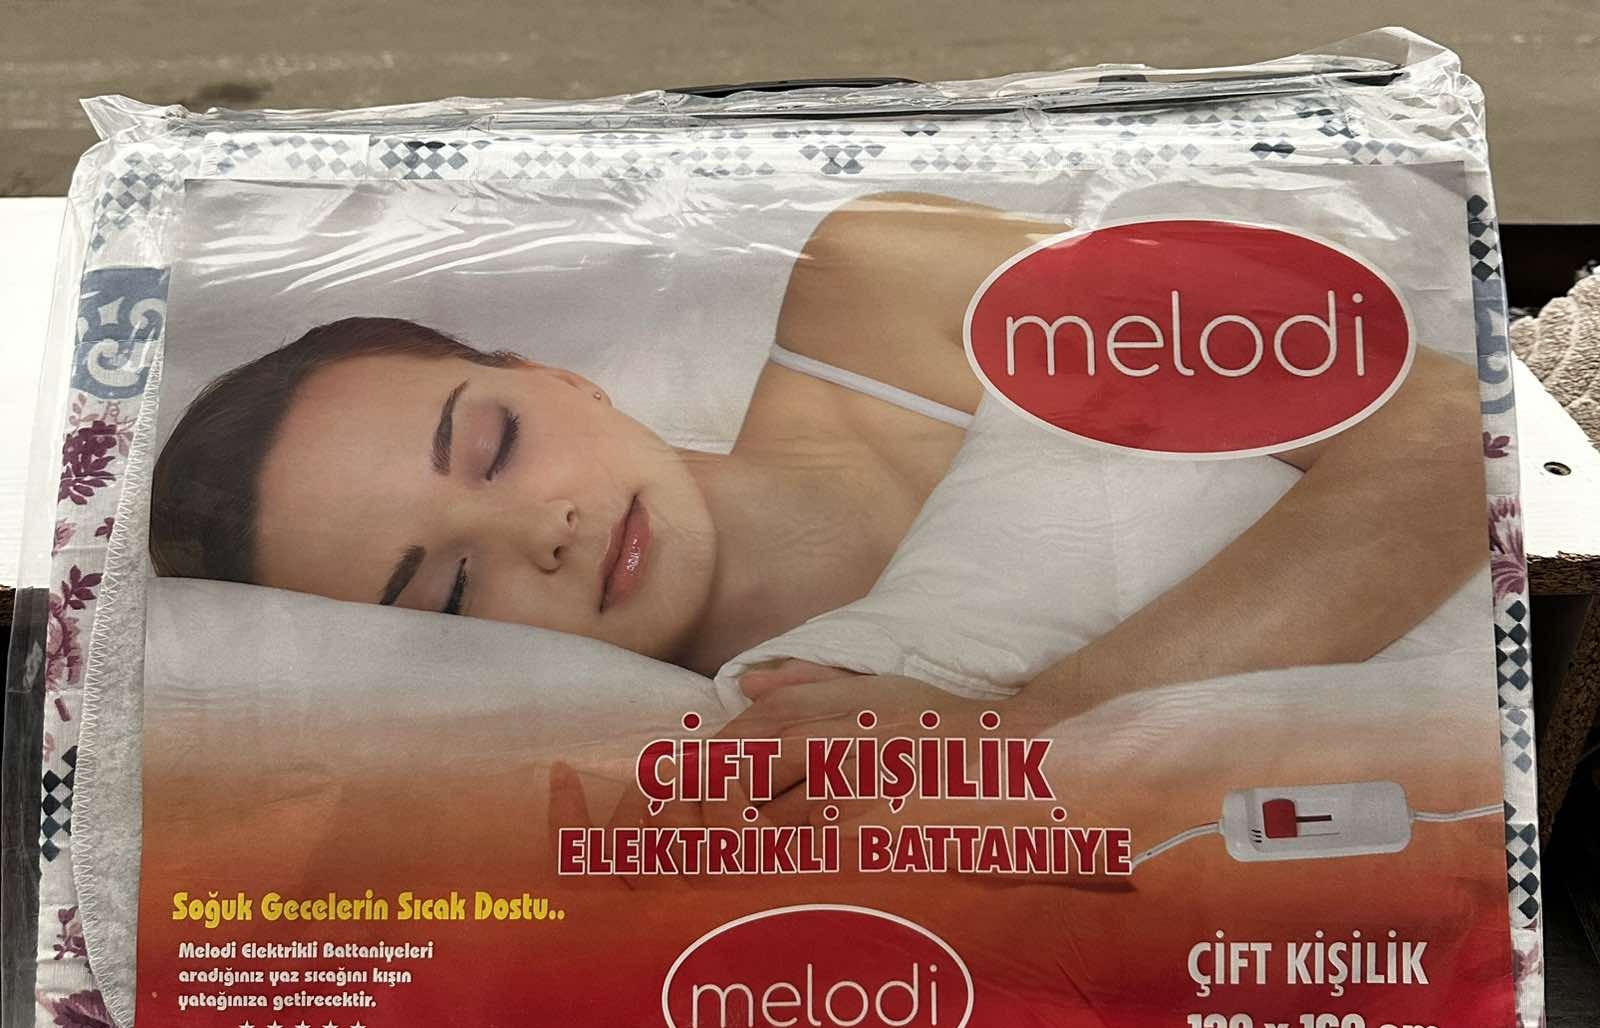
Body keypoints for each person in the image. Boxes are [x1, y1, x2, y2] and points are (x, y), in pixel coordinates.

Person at [150, 191, 1487, 773]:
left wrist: (1031, 734)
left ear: (554, 373)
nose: (541, 531)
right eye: (448, 590)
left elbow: (1442, 426)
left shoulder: (886, 276)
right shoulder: (751, 768)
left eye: (493, 443)